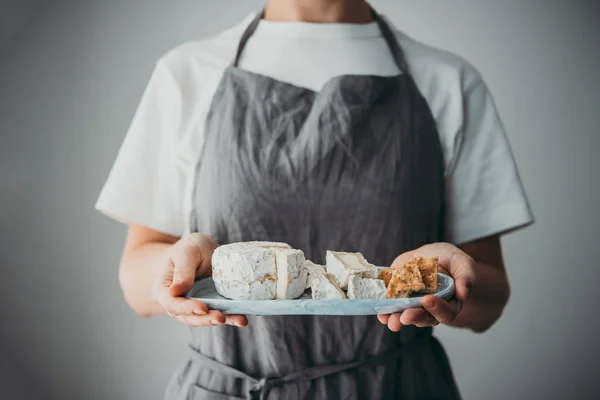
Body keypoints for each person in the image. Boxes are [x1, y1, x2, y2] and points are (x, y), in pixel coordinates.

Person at [96, 0, 534, 398]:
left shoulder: (448, 81)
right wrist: (179, 266)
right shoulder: (188, 73)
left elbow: (488, 304)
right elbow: (137, 284)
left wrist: (448, 280)